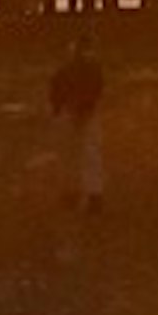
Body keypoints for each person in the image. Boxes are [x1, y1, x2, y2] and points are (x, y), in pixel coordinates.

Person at [49, 43, 107, 220]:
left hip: (73, 111)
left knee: (74, 154)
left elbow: (55, 90)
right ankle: (91, 195)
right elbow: (97, 88)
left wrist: (59, 109)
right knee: (87, 154)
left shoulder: (66, 69)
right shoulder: (91, 69)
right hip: (82, 112)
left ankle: (75, 194)